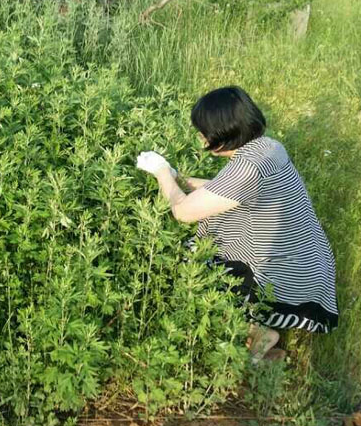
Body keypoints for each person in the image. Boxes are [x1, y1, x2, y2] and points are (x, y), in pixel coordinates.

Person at [136, 86, 339, 364]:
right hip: (309, 262)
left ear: (223, 132)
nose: (200, 137)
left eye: (203, 132)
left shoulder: (248, 167)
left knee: (199, 262)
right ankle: (260, 339)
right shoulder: (268, 148)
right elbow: (223, 190)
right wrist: (177, 177)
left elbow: (182, 212)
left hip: (287, 276)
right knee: (214, 244)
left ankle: (255, 339)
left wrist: (161, 172)